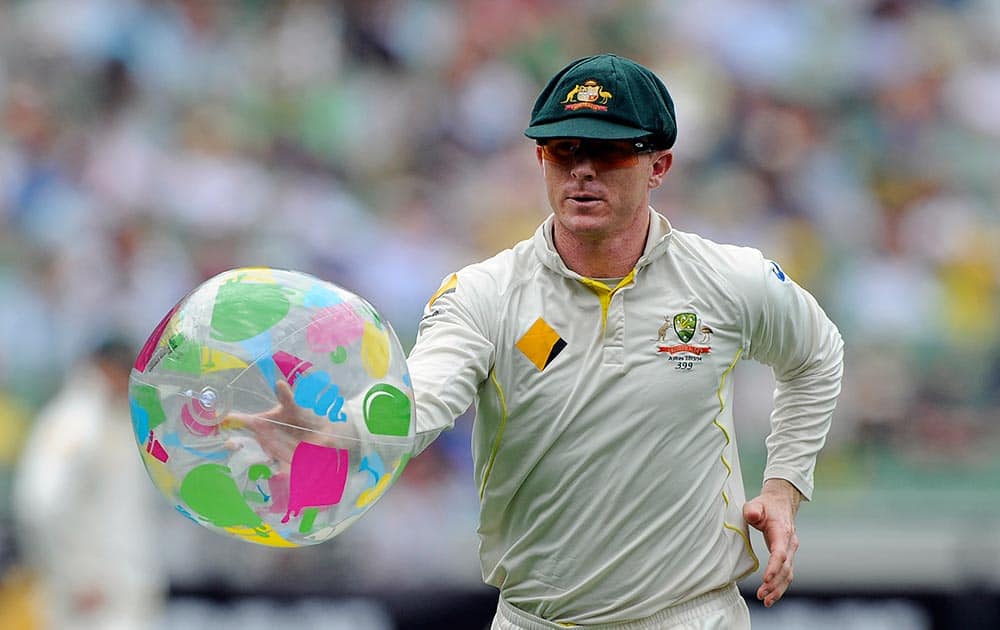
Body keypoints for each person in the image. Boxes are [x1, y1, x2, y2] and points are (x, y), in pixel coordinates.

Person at [249, 53, 844, 629]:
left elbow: (817, 356)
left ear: (658, 166)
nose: (582, 170)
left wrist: (784, 486)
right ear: (541, 159)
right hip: (537, 621)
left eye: (608, 152)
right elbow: (422, 398)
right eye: (564, 150)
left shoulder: (727, 279)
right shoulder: (484, 295)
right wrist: (334, 433)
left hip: (692, 616)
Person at [13, 337, 167, 630]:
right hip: (91, 600)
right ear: (108, 369)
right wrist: (76, 578)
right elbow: (40, 503)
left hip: (126, 591)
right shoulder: (74, 421)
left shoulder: (121, 419)